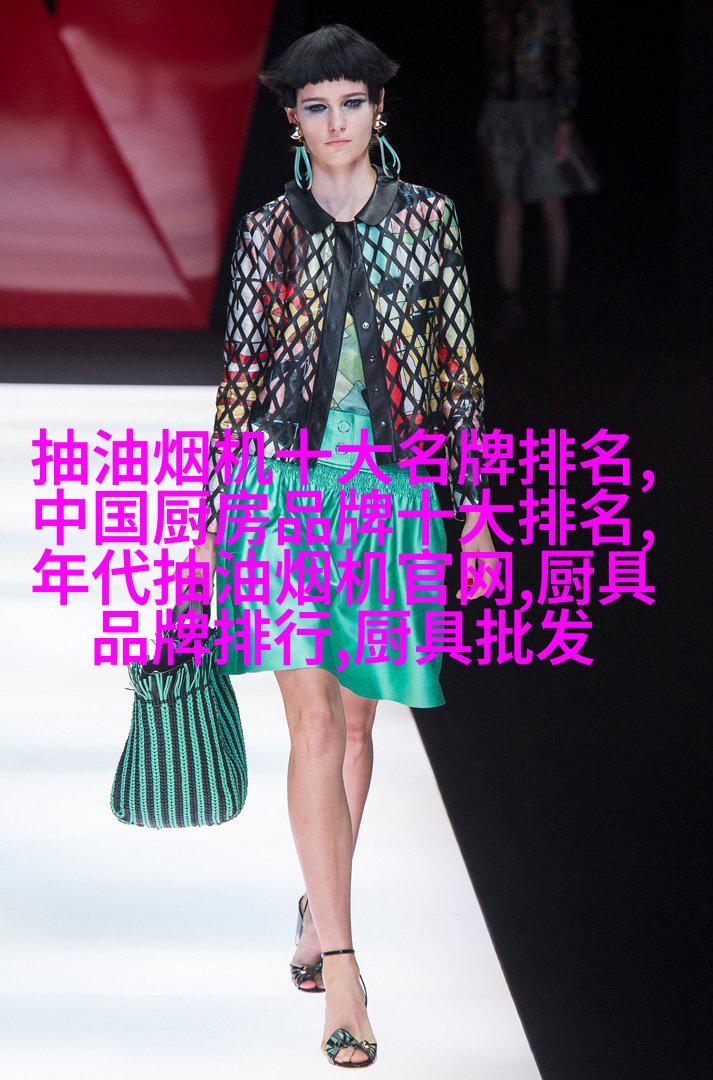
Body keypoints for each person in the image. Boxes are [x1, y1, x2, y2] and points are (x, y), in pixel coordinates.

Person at [193, 23, 496, 1067]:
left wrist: (479, 511)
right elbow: (239, 380)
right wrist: (213, 522)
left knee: (360, 727)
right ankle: (345, 968)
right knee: (315, 725)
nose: (336, 123)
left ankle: (315, 904)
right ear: (293, 120)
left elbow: (459, 373)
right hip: (282, 486)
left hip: (391, 489)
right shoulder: (268, 231)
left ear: (379, 110)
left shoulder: (430, 221)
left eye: (352, 104)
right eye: (316, 107)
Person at [477, 0, 582, 326]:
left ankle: (557, 300)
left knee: (552, 205)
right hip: (502, 114)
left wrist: (564, 123)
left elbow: (566, 61)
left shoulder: (552, 7)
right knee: (508, 208)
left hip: (542, 113)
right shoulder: (495, 7)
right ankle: (509, 304)